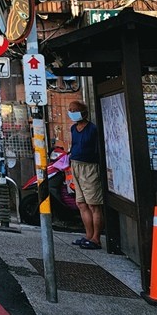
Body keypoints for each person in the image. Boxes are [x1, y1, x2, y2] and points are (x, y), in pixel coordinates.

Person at [68, 100, 103, 250]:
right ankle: (88, 235)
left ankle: (96, 238)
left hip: (90, 167)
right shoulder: (73, 128)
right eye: (70, 110)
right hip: (75, 165)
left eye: (73, 110)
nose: (71, 112)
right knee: (81, 203)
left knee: (93, 204)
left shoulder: (93, 129)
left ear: (83, 112)